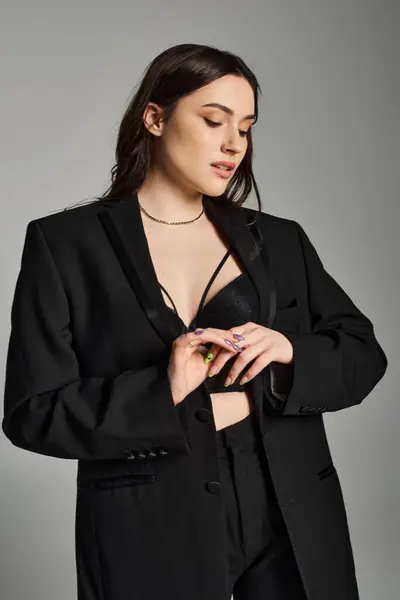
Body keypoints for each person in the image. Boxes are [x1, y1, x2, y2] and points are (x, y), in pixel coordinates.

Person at [2, 43, 387, 600]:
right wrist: (166, 387)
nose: (234, 143)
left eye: (247, 127)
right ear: (155, 118)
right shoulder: (64, 245)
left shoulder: (280, 240)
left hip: (291, 515)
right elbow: (32, 413)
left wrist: (288, 353)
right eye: (214, 121)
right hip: (147, 525)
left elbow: (361, 354)